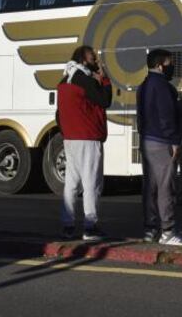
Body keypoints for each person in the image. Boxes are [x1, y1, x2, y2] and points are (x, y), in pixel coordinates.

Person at [137, 49, 182, 246]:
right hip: (162, 140)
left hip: (147, 139)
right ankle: (168, 230)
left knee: (150, 187)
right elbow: (167, 115)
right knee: (165, 186)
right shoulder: (163, 86)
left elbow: (141, 116)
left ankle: (150, 229)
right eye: (170, 62)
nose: (172, 66)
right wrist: (175, 140)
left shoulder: (143, 85)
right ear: (160, 65)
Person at [58, 45, 112, 241]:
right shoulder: (85, 80)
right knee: (92, 183)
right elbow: (105, 101)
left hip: (70, 137)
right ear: (83, 59)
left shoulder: (65, 79)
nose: (96, 60)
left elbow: (59, 113)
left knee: (71, 182)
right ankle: (90, 225)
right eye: (92, 57)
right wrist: (104, 80)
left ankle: (68, 224)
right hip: (88, 136)